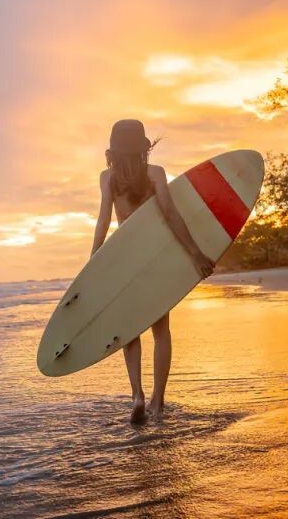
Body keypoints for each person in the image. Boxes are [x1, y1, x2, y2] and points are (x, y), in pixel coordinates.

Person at [91, 119, 215, 423]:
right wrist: (195, 252)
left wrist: (93, 261)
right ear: (144, 147)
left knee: (130, 332)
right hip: (155, 261)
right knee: (161, 332)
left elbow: (104, 220)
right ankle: (158, 403)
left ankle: (137, 394)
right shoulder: (155, 174)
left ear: (113, 150)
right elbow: (171, 215)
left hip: (125, 261)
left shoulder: (107, 178)